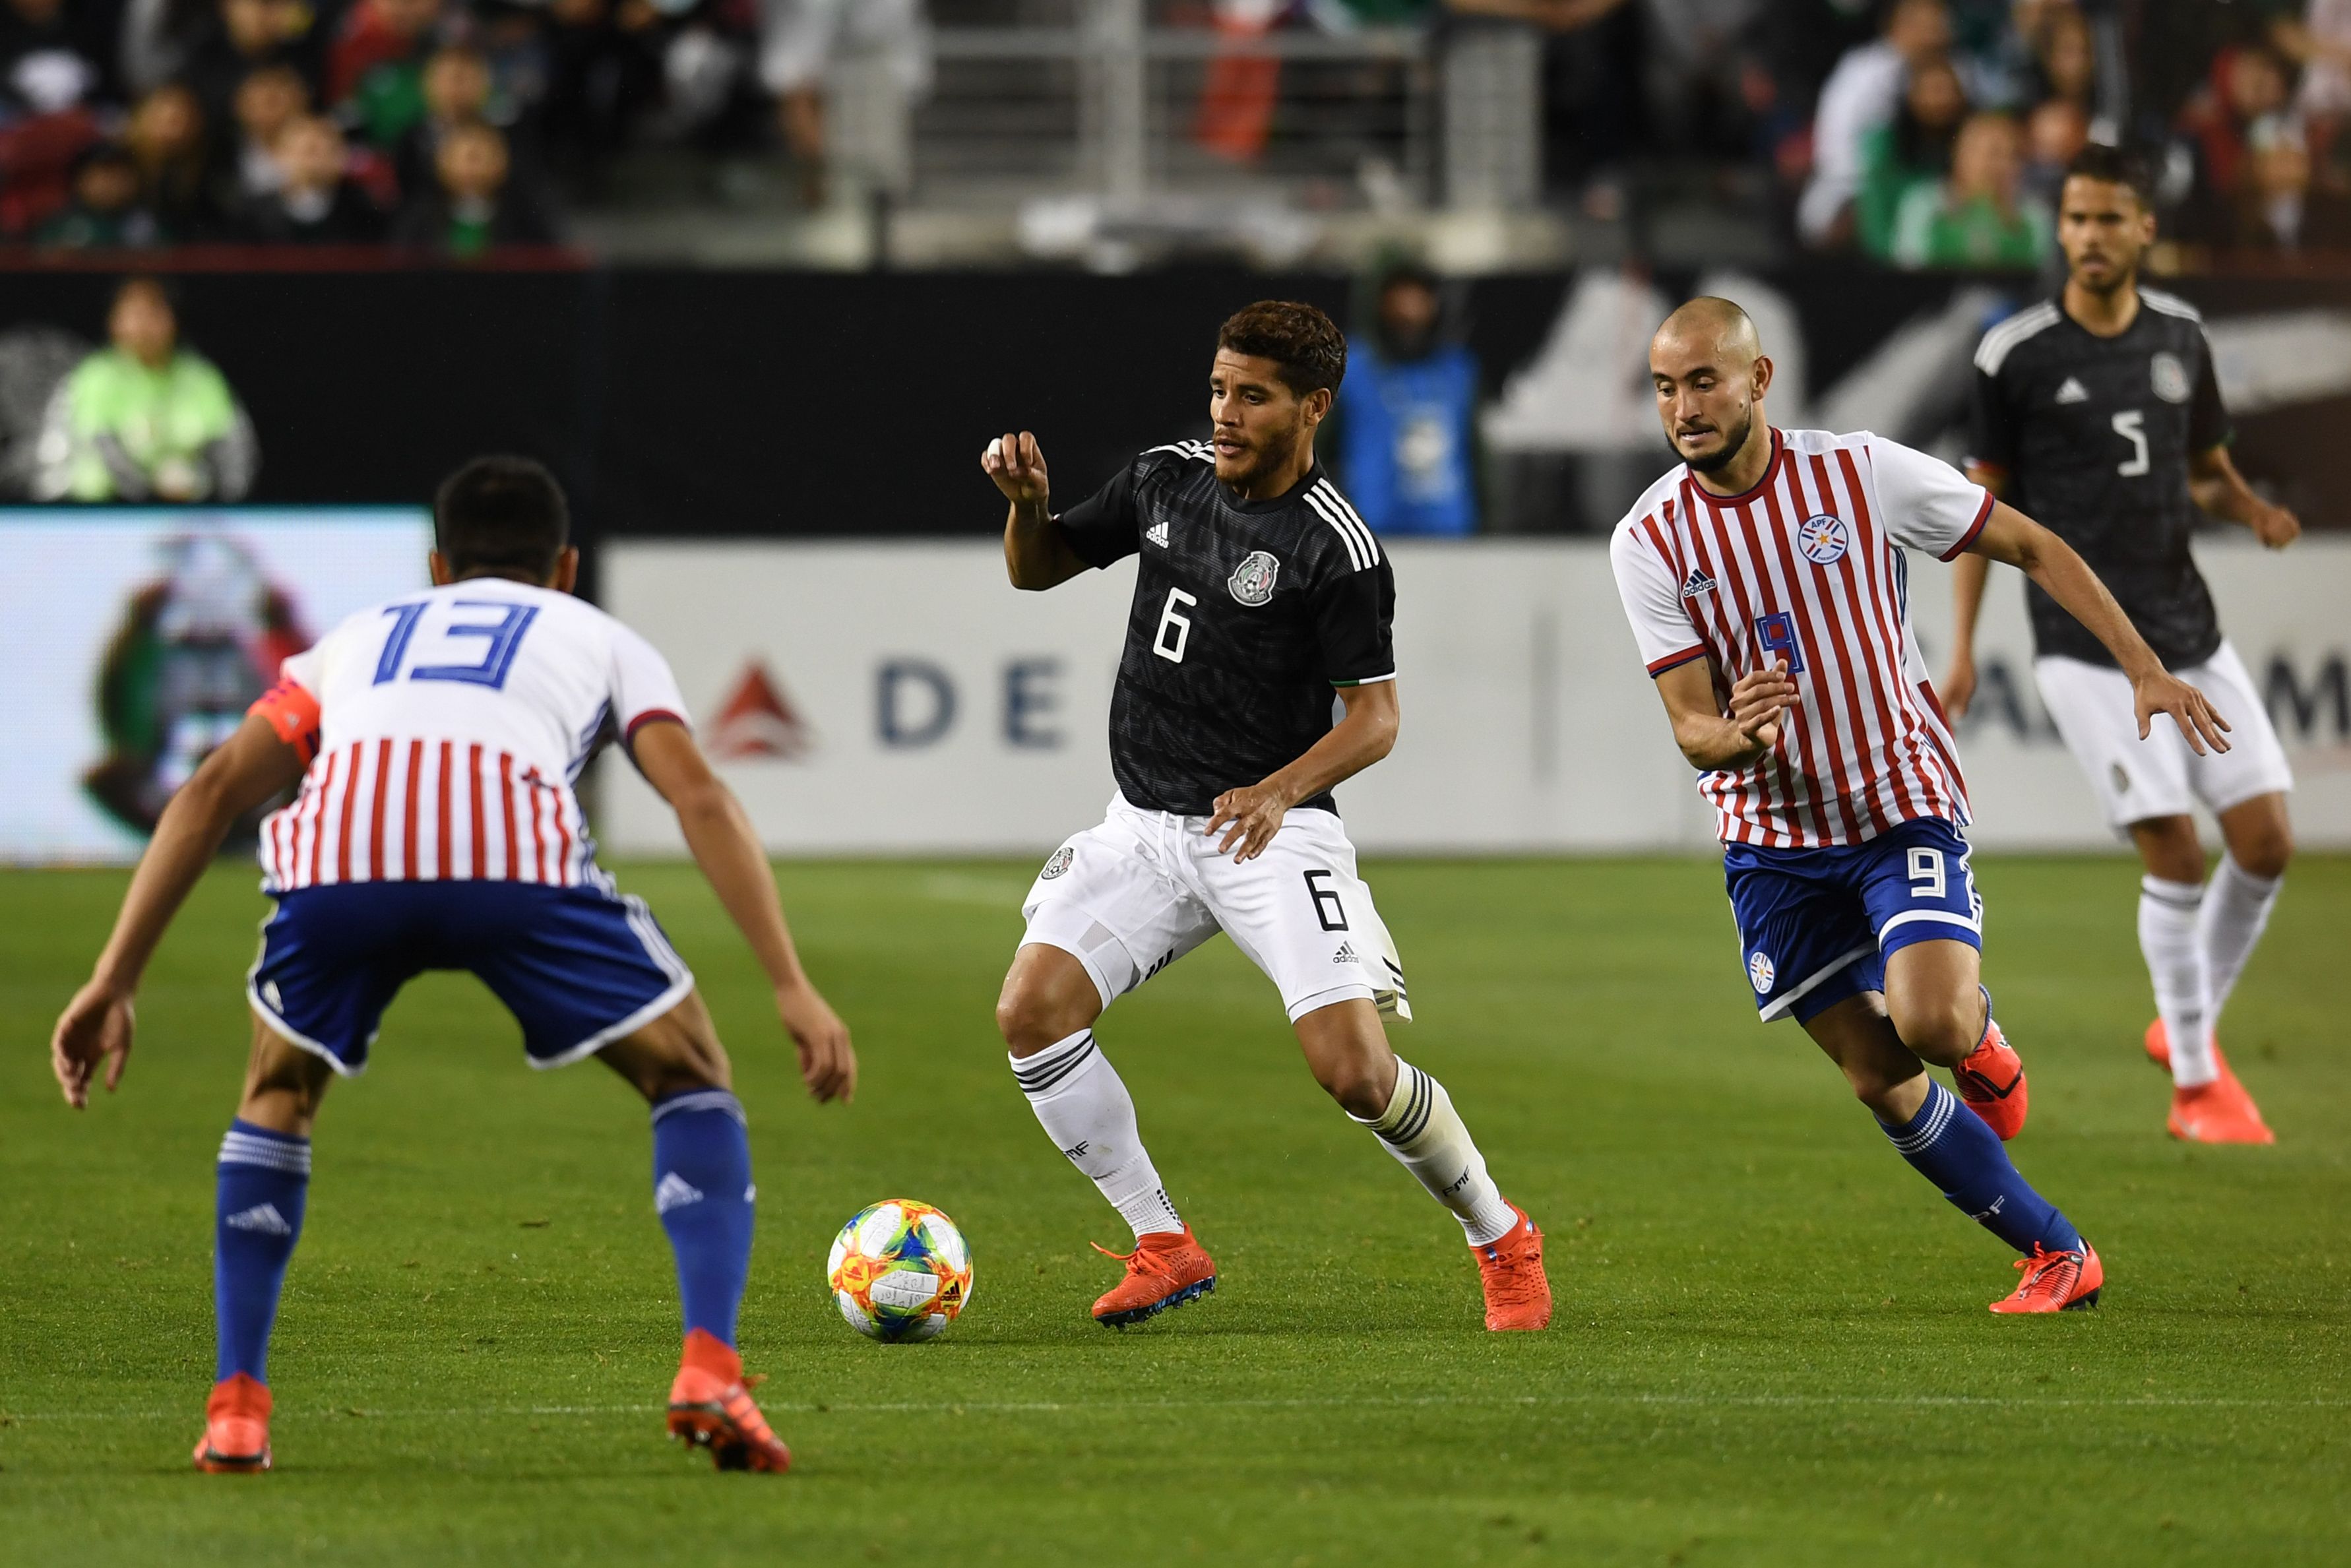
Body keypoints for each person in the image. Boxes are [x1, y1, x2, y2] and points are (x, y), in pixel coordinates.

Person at [49, 456, 857, 1476]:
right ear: (564, 566)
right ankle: (709, 1366)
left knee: (278, 1093)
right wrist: (789, 982)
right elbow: (696, 795)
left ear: (438, 566)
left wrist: (114, 978)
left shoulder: (356, 638)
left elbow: (212, 790)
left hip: (340, 863)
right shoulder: (602, 637)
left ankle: (237, 1407)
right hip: (508, 862)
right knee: (690, 1075)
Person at [1610, 296, 2230, 1313]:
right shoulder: (1649, 539)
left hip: (1897, 798)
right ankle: (2057, 1252)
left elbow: (2034, 545)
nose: (1684, 406)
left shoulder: (1859, 473)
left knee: (1932, 1021)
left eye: (1705, 380)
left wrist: (2145, 669)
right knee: (1877, 1076)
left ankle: (1979, 1037)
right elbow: (1689, 723)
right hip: (1771, 840)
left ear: (1760, 381)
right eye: (1666, 388)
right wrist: (1740, 733)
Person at [978, 301, 1552, 1334]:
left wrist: (1282, 787)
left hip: (1271, 834)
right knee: (1031, 1011)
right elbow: (1040, 564)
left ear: (1313, 407)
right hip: (1147, 827)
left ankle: (1499, 1232)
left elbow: (1375, 719)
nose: (1226, 413)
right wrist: (1029, 505)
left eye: (1253, 396)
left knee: (1355, 1073)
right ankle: (1163, 1242)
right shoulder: (1166, 476)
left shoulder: (1339, 548)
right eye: (1217, 388)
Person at [1945, 144, 2303, 1143]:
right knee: (2177, 850)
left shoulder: (2183, 339)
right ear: (2058, 229)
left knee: (2268, 843)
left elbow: (2203, 472)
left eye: (2109, 219)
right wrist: (1965, 648)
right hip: (2083, 643)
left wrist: (2252, 509)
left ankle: (2183, 1021)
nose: (2089, 237)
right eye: (2075, 218)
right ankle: (2196, 1085)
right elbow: (1983, 509)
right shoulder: (2013, 352)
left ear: (2147, 229)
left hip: (2187, 622)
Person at [36, 276, 258, 503]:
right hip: (103, 512)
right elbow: (105, 450)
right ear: (114, 322)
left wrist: (224, 502)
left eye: (154, 312)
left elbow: (235, 454)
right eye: (133, 314)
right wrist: (154, 493)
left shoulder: (202, 378)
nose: (144, 325)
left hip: (189, 513)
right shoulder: (96, 377)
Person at [1334, 261, 1481, 537]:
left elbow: (1477, 452)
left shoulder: (1458, 372)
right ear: (1379, 308)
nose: (1408, 315)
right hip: (1371, 529)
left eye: (1418, 304)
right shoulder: (1351, 369)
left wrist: (1490, 524)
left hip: (1448, 530)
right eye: (1398, 304)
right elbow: (1316, 450)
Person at [1889, 108, 2052, 268]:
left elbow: (2044, 271)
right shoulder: (1923, 205)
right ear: (1961, 153)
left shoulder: (2034, 214)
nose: (2004, 165)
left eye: (2014, 155)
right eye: (1994, 153)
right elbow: (1909, 268)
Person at [393, 119, 557, 254]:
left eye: (478, 157)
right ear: (442, 163)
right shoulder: (419, 216)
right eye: (464, 158)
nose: (471, 169)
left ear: (501, 162)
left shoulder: (525, 216)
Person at [236, 114, 387, 243]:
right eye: (311, 151)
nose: (321, 160)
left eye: (331, 150)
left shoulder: (365, 209)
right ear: (280, 155)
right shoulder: (253, 215)